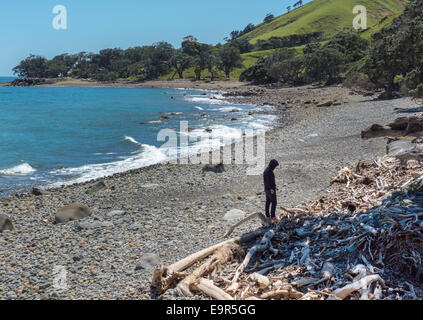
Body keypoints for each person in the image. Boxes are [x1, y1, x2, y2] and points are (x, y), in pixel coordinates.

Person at [263, 159, 279, 223]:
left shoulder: (267, 170)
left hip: (267, 189)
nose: (275, 167)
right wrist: (271, 189)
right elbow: (268, 181)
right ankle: (272, 216)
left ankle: (267, 215)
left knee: (268, 201)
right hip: (270, 189)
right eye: (275, 166)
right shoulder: (269, 171)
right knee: (274, 202)